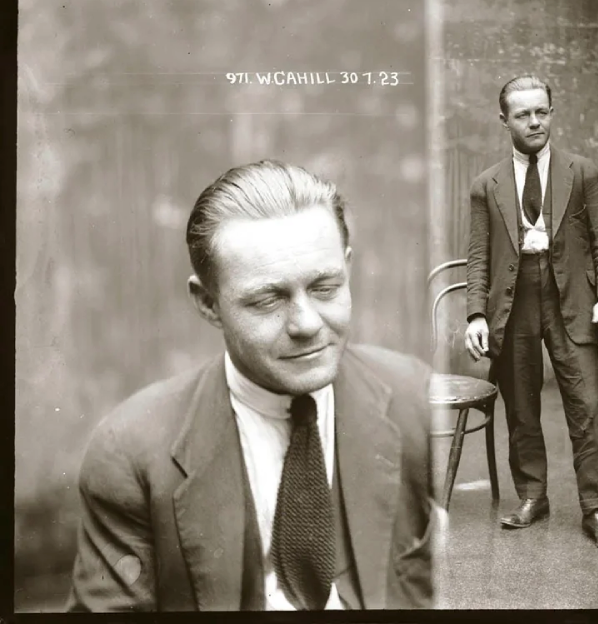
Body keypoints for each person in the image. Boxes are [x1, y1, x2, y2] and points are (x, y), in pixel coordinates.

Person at [67, 160, 434, 611]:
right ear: (208, 303)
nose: (306, 324)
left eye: (325, 287)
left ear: (348, 268)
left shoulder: (418, 400)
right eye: (267, 299)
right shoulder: (130, 452)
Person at [465, 75, 598, 551]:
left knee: (587, 407)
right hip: (513, 302)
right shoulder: (485, 185)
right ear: (504, 121)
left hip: (570, 299)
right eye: (523, 115)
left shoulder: (581, 172)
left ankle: (596, 509)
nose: (535, 122)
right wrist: (476, 314)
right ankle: (533, 496)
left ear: (551, 112)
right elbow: (479, 255)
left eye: (542, 112)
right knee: (521, 407)